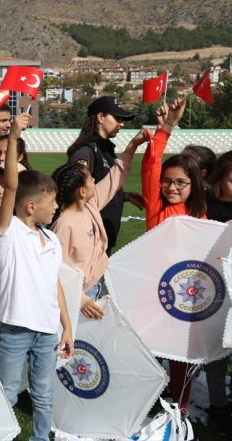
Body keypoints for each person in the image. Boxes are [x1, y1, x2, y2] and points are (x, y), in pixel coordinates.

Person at [0, 112, 73, 441]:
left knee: (43, 394)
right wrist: (12, 138)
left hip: (46, 332)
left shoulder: (51, 238)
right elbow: (11, 184)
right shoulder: (8, 232)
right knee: (6, 396)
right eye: (52, 202)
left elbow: (54, 283)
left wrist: (67, 326)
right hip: (14, 332)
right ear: (29, 206)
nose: (56, 207)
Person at [142, 95, 206, 415]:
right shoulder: (157, 209)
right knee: (150, 356)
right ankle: (145, 405)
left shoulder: (202, 220)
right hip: (154, 298)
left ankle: (179, 410)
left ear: (194, 184)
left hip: (188, 301)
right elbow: (151, 163)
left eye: (180, 182)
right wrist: (167, 126)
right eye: (167, 181)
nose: (171, 187)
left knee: (182, 360)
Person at [51, 130, 149, 319]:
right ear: (81, 192)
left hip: (99, 285)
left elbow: (114, 178)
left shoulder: (90, 206)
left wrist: (133, 146)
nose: (95, 180)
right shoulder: (64, 226)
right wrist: (81, 300)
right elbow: (56, 271)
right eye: (90, 179)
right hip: (79, 297)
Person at [67, 97, 143, 254]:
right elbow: (77, 196)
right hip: (89, 243)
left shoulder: (106, 150)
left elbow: (98, 188)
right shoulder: (86, 151)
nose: (121, 123)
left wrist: (123, 196)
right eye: (117, 118)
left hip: (103, 241)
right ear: (101, 117)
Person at [202, 150, 232, 436]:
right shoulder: (206, 207)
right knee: (217, 354)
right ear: (218, 180)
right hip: (214, 292)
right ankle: (218, 406)